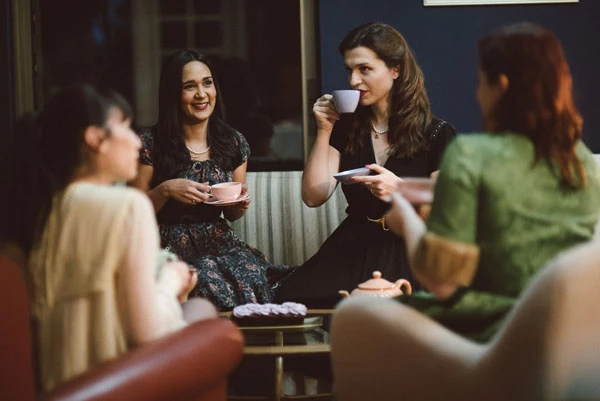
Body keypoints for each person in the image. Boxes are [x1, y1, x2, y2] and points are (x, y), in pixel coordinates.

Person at [383, 22, 600, 342]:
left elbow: (443, 283)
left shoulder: (470, 154)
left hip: (495, 327)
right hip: (571, 326)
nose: (478, 93)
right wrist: (435, 192)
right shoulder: (580, 159)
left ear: (501, 84)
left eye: (480, 82)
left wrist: (406, 221)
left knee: (356, 313)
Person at [5, 83, 216, 393]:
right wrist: (171, 280)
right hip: (114, 384)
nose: (135, 142)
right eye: (125, 128)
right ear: (95, 138)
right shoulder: (129, 206)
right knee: (206, 314)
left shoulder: (40, 209)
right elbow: (146, 331)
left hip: (58, 388)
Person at [274, 22, 456, 309]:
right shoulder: (347, 128)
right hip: (355, 243)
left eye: (364, 69)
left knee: (406, 305)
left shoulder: (436, 133)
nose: (354, 80)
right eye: (349, 70)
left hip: (408, 244)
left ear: (395, 69)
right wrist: (324, 129)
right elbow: (313, 196)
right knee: (293, 299)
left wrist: (401, 189)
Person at [130, 49, 294, 311]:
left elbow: (232, 213)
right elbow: (132, 212)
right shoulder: (150, 143)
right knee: (204, 283)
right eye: (189, 86)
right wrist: (165, 190)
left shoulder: (233, 142)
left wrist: (237, 206)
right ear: (173, 94)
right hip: (169, 248)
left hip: (220, 245)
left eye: (207, 83)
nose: (201, 94)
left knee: (256, 278)